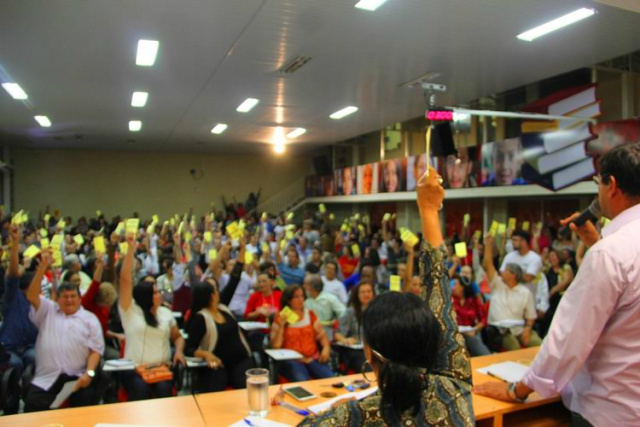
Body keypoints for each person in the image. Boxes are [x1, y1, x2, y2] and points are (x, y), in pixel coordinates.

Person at [475, 143, 640, 427]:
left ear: (611, 185)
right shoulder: (612, 251)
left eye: (596, 182)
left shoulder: (610, 254)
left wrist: (519, 389)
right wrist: (597, 244)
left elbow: (570, 338)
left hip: (610, 411)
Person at [299, 166, 473, 426]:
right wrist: (428, 209)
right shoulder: (454, 386)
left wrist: (332, 414)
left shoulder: (353, 417)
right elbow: (438, 284)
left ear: (369, 353)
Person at [24, 251, 104, 412]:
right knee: (32, 404)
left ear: (79, 298)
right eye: (65, 296)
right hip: (46, 378)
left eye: (73, 296)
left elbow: (95, 350)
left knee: (85, 407)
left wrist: (89, 373)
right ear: (57, 299)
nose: (69, 300)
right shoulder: (48, 310)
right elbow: (32, 297)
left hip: (78, 377)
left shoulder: (90, 319)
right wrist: (42, 269)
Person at [118, 233, 186, 401]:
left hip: (161, 368)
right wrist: (131, 249)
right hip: (134, 369)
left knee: (163, 390)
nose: (159, 294)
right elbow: (125, 280)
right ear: (145, 296)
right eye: (155, 292)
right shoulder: (130, 311)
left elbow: (178, 337)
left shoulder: (165, 313)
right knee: (140, 389)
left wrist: (178, 351)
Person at [184, 241, 254, 392]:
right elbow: (188, 348)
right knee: (216, 390)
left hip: (240, 361)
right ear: (210, 296)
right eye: (215, 289)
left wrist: (242, 249)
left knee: (246, 388)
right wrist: (205, 354)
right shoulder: (200, 318)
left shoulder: (222, 306)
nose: (218, 291)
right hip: (218, 364)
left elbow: (235, 277)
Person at [0, 226, 38, 414]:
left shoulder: (39, 302)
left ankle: (32, 401)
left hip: (31, 346)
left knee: (35, 358)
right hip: (10, 347)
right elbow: (13, 274)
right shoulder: (12, 297)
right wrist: (15, 243)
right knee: (15, 365)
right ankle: (11, 406)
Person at [483, 234, 541, 351]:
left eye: (505, 270)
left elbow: (531, 316)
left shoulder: (525, 292)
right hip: (499, 330)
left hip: (519, 328)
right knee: (514, 346)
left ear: (513, 275)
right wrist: (488, 244)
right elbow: (488, 265)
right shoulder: (497, 284)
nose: (501, 272)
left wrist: (527, 329)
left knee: (539, 344)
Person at [270, 285, 333, 382]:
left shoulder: (310, 314)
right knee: (303, 381)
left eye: (302, 296)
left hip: (312, 358)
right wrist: (282, 326)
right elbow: (276, 346)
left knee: (330, 378)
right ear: (288, 300)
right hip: (292, 361)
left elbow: (322, 335)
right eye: (296, 297)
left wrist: (326, 348)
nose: (301, 300)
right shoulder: (281, 317)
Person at [81, 256, 121, 360]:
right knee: (101, 367)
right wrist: (100, 267)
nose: (109, 305)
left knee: (119, 357)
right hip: (86, 346)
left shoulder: (105, 310)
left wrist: (117, 336)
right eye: (107, 302)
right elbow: (95, 283)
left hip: (101, 344)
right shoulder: (87, 303)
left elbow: (103, 331)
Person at [334, 281, 375, 373]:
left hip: (374, 348)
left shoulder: (377, 311)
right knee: (366, 365)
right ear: (357, 294)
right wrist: (345, 340)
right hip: (357, 349)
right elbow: (337, 335)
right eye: (363, 292)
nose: (366, 294)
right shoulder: (350, 312)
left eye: (369, 291)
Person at [451, 275, 490, 356]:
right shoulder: (450, 300)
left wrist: (475, 329)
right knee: (463, 341)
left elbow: (483, 319)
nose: (452, 287)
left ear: (462, 287)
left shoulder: (474, 300)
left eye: (455, 284)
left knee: (473, 339)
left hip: (471, 331)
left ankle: (488, 359)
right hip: (454, 333)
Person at [302, 274, 346, 341]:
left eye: (305, 284)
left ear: (312, 286)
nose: (303, 286)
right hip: (307, 332)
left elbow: (344, 312)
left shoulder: (330, 298)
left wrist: (335, 322)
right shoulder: (303, 298)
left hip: (326, 331)